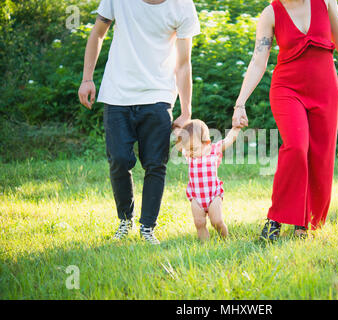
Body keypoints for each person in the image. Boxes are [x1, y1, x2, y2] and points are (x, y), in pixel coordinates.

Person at [232, 0, 338, 240]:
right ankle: (275, 219)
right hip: (287, 89)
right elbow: (258, 60)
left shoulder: (325, 2)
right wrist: (240, 102)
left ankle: (305, 223)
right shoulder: (271, 13)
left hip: (325, 90)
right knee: (296, 146)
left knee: (320, 156)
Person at [78, 0, 200, 244]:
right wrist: (87, 78)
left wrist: (186, 111)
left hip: (158, 94)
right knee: (120, 160)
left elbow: (184, 63)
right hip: (117, 93)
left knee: (156, 164)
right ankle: (125, 220)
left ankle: (147, 227)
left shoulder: (182, 5)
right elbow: (98, 32)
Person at [174, 120, 241, 241]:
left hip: (213, 195)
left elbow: (229, 140)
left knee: (217, 221)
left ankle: (226, 240)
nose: (189, 153)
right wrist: (174, 126)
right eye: (187, 149)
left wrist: (236, 128)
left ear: (206, 143)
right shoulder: (189, 153)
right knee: (199, 223)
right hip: (196, 196)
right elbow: (178, 139)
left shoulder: (214, 150)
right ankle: (205, 245)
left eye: (193, 149)